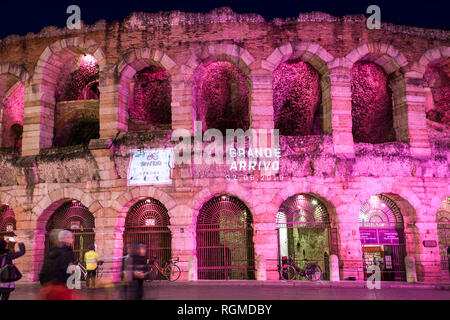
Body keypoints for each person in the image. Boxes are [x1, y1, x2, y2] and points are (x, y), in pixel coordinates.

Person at [38, 230, 77, 300]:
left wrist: (45, 284)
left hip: (49, 288)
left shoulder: (51, 252)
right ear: (67, 239)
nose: (72, 240)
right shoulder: (68, 252)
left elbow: (44, 271)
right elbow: (67, 270)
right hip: (62, 288)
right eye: (71, 238)